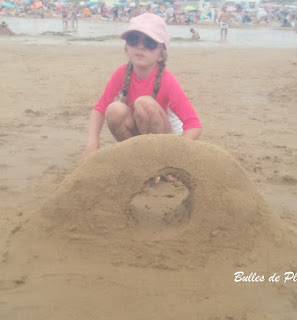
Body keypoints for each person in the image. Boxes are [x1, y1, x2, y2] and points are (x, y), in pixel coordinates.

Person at [83, 13, 202, 180]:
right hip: (140, 134)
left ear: (161, 54)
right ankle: (140, 162)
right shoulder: (122, 73)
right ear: (126, 49)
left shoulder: (167, 79)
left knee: (144, 103)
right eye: (133, 40)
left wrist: (174, 155)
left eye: (150, 43)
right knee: (114, 109)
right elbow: (100, 109)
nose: (140, 47)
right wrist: (92, 143)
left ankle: (161, 164)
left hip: (165, 140)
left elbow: (194, 125)